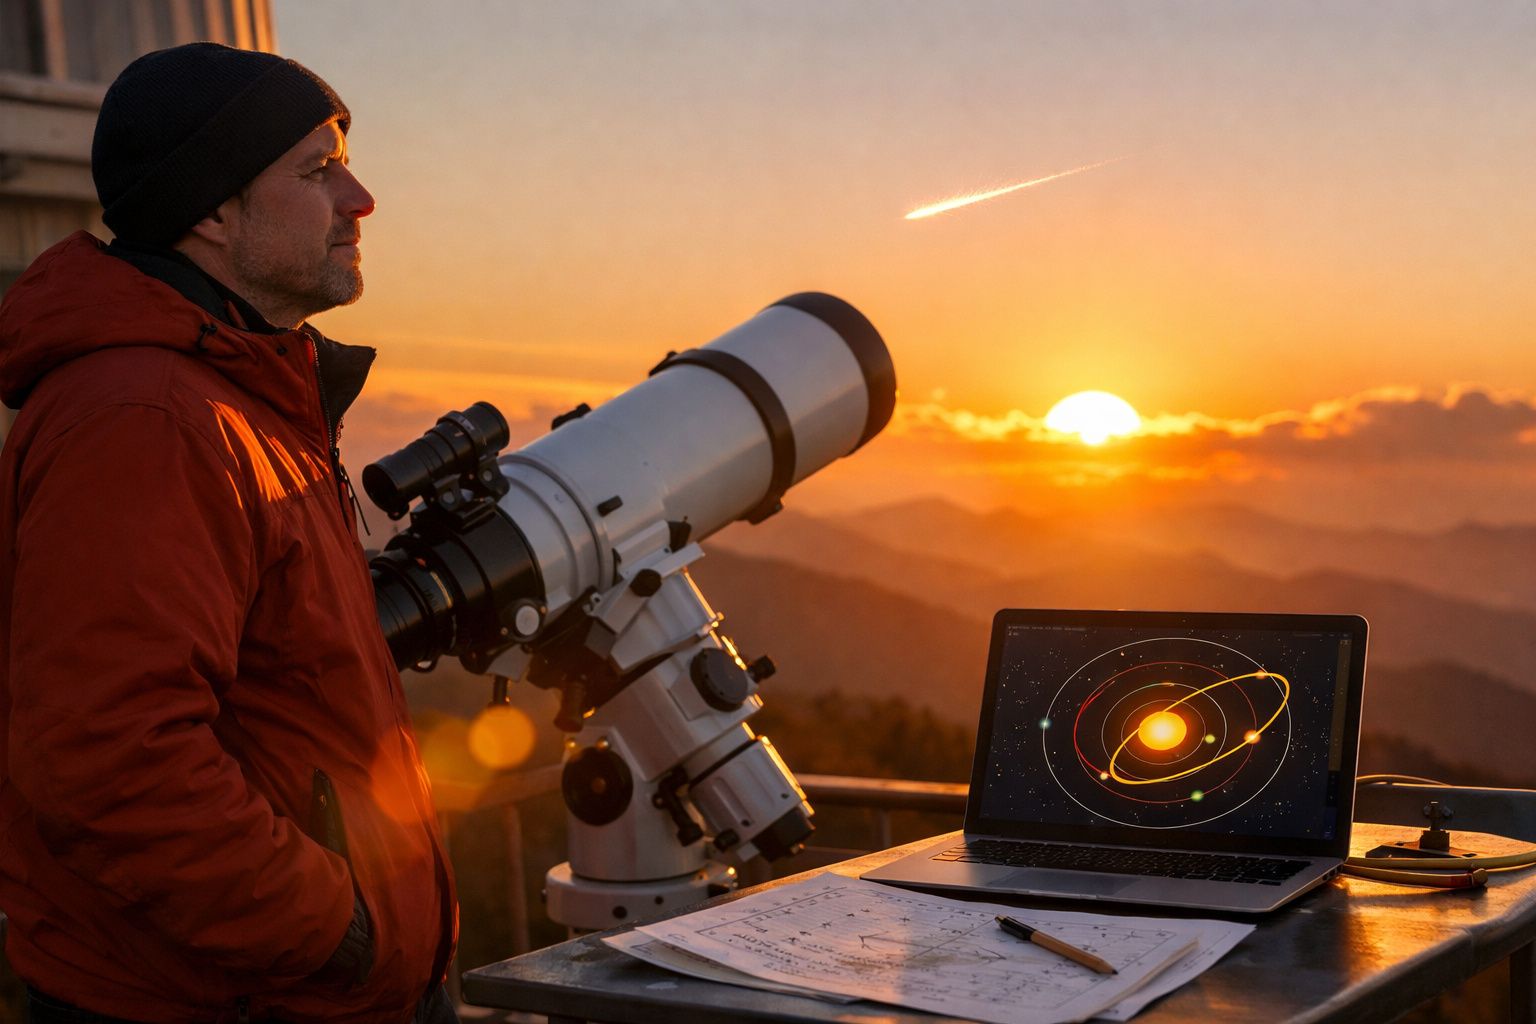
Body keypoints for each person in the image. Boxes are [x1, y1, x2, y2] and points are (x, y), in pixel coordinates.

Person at [0, 43, 458, 1023]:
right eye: (317, 169)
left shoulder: (241, 397)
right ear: (211, 210)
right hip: (237, 995)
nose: (361, 198)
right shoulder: (147, 418)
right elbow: (110, 758)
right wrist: (336, 927)